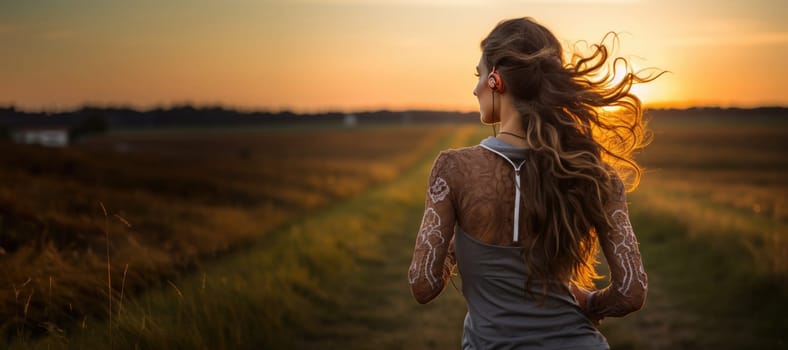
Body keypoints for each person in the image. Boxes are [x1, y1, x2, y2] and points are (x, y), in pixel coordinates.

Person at [408, 17, 660, 349]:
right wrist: (590, 304)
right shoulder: (592, 173)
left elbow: (423, 284)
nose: (475, 88)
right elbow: (630, 292)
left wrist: (459, 247)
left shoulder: (453, 169)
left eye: (479, 75)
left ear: (496, 79)